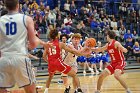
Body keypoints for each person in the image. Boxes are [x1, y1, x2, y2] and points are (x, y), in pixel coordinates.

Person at [0, 0, 48, 93]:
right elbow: (33, 44)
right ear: (18, 5)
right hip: (20, 57)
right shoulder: (26, 19)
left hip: (3, 59)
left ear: (5, 6)